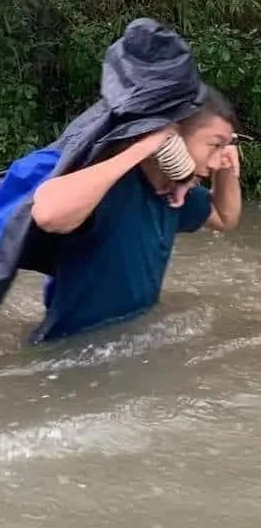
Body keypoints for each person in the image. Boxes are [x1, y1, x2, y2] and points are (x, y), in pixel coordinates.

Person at [29, 88, 242, 341]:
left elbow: (224, 217)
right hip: (67, 352)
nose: (216, 161)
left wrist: (227, 169)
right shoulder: (109, 185)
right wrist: (145, 145)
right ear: (173, 134)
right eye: (214, 145)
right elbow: (47, 214)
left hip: (126, 345)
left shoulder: (174, 194)